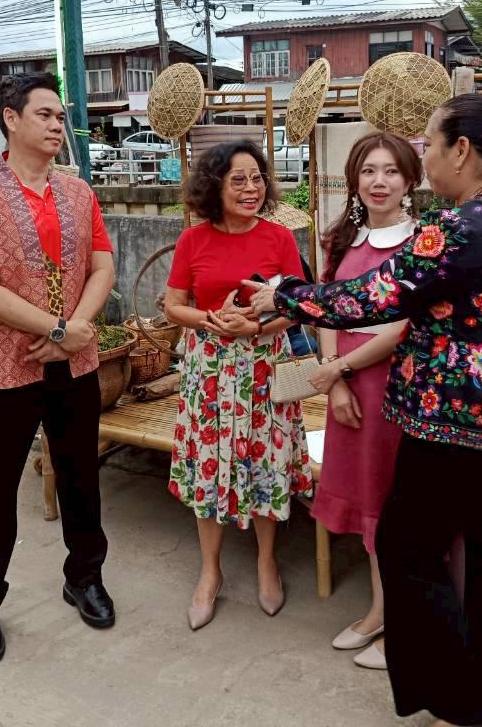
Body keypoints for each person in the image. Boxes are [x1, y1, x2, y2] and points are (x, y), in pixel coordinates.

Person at [246, 94, 482, 727]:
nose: (423, 157)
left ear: (462, 151)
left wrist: (284, 294)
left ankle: (456, 698)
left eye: (428, 145)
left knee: (408, 548)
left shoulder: (462, 226)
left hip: (460, 428)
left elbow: (374, 296)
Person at [0, 72, 117, 666]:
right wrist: (58, 330)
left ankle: (85, 577)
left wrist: (75, 332)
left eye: (60, 116)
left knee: (81, 476)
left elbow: (102, 267)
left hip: (76, 361)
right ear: (11, 119)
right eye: (44, 114)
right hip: (6, 365)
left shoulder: (79, 193)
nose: (56, 125)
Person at [162, 140, 314, 631]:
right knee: (209, 465)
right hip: (208, 371)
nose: (252, 189)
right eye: (239, 180)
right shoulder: (193, 240)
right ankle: (210, 571)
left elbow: (296, 307)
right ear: (215, 187)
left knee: (266, 460)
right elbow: (174, 306)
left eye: (258, 178)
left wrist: (253, 326)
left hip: (265, 366)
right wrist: (210, 320)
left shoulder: (279, 238)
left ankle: (267, 560)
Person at [307, 132, 421, 671]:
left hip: (399, 388)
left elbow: (404, 327)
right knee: (370, 495)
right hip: (348, 388)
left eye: (391, 171)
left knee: (399, 503)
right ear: (354, 179)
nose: (380, 182)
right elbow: (326, 308)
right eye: (369, 171)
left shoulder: (423, 244)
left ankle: (405, 620)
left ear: (410, 179)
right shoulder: (340, 240)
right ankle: (380, 611)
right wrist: (335, 381)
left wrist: (340, 370)